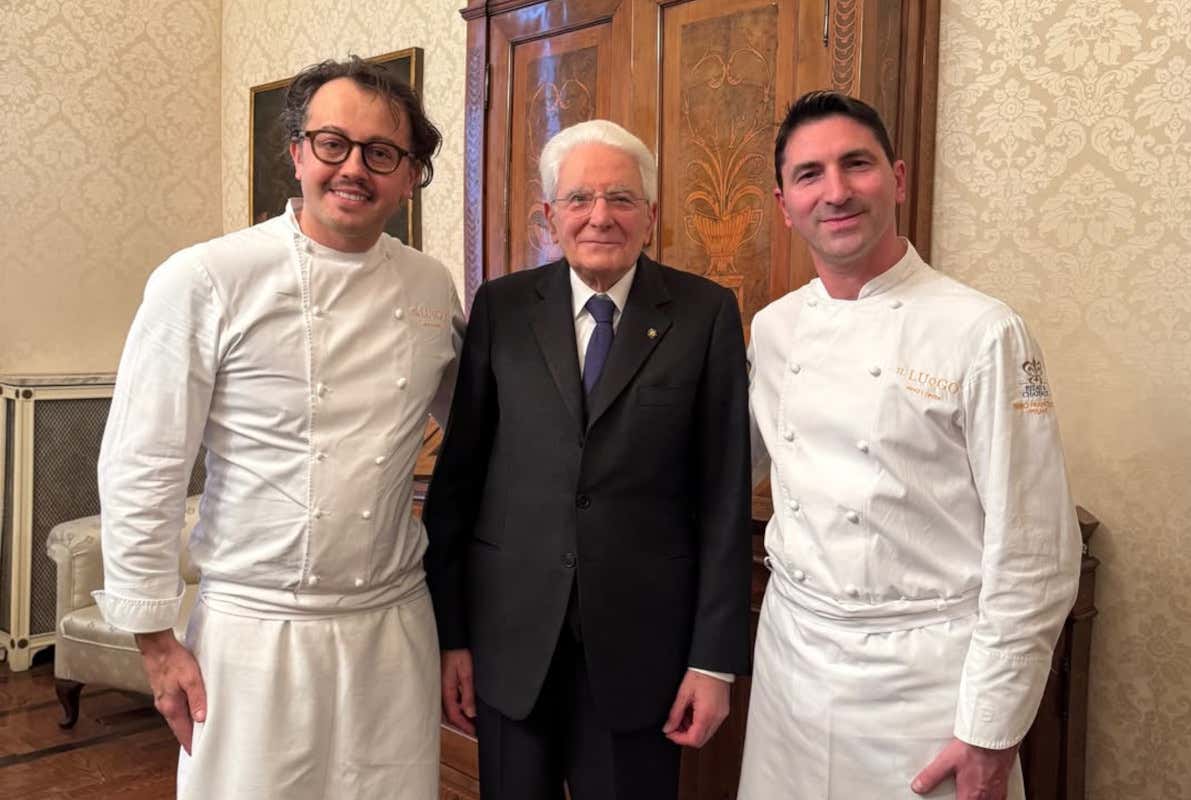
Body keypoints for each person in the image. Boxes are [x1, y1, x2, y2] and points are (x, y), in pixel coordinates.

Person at [95, 56, 463, 800]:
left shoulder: (431, 284)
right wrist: (156, 642)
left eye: (381, 153)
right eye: (333, 144)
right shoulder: (205, 278)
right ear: (297, 153)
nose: (353, 168)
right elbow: (143, 462)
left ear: (409, 176)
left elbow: (484, 433)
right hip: (253, 632)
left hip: (392, 625)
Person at [738, 90, 1081, 800]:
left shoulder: (983, 331)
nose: (835, 191)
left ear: (896, 179)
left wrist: (991, 731)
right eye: (809, 174)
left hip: (926, 685)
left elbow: (1036, 553)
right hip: (791, 665)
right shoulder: (772, 330)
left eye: (856, 164)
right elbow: (724, 474)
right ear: (784, 204)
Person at [423, 119, 750, 800]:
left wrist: (714, 662)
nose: (600, 216)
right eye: (579, 199)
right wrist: (452, 637)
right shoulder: (502, 308)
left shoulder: (705, 313)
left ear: (651, 215)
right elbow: (458, 484)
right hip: (510, 647)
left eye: (621, 199)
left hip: (644, 656)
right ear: (550, 215)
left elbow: (725, 497)